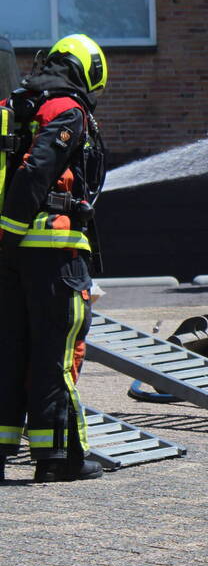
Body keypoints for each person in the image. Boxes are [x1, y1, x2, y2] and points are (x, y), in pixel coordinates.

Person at [0, 34, 108, 482]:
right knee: (56, 354)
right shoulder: (66, 109)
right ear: (88, 72)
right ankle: (59, 459)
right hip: (54, 254)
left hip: (9, 258)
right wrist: (11, 231)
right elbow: (36, 171)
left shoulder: (17, 107)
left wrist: (6, 242)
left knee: (9, 352)